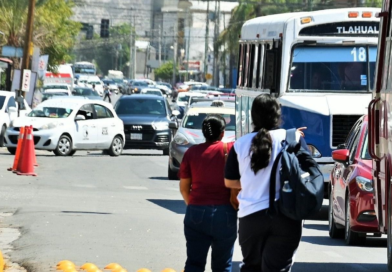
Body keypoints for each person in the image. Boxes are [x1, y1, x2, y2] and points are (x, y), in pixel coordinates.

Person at [224, 94, 307, 272]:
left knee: (251, 267)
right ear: (278, 116)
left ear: (253, 116)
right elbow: (305, 174)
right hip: (285, 216)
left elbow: (230, 182)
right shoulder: (292, 138)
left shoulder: (240, 144)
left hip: (250, 218)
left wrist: (251, 181)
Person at [179, 114, 239, 272]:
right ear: (222, 133)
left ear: (203, 132)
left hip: (196, 211)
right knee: (223, 265)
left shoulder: (191, 153)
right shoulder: (231, 149)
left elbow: (184, 188)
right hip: (225, 212)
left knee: (194, 263)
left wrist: (193, 205)